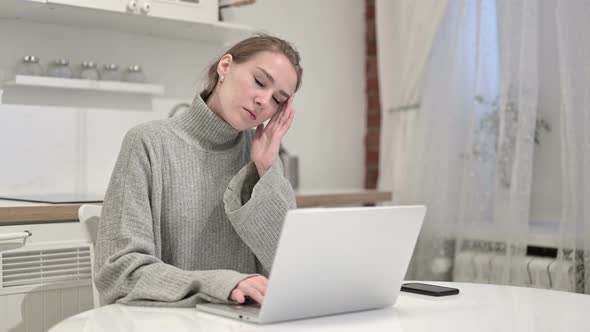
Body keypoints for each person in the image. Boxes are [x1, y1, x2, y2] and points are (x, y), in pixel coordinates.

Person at [94, 34, 303, 307]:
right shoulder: (147, 143)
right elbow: (119, 272)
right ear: (225, 66)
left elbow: (292, 269)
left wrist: (268, 169)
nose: (264, 100)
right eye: (259, 82)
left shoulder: (260, 157)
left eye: (278, 99)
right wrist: (221, 285)